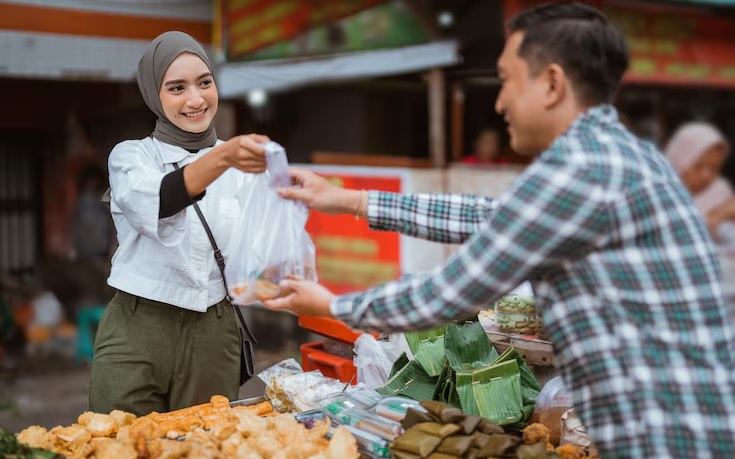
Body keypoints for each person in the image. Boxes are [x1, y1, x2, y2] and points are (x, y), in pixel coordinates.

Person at [264, 3, 735, 458]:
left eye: (507, 80)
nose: (498, 100)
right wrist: (350, 200)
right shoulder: (620, 153)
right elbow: (495, 216)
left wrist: (331, 304)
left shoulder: (580, 168)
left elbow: (449, 292)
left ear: (551, 83)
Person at [90, 31, 269, 416]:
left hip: (215, 326)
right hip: (140, 325)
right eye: (176, 88)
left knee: (204, 442)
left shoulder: (241, 165)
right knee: (117, 441)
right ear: (154, 96)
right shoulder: (132, 157)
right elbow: (161, 199)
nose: (196, 99)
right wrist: (223, 158)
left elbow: (262, 241)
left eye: (204, 82)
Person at [665, 121, 735, 302]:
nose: (706, 176)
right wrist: (716, 217)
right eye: (698, 166)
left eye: (714, 168)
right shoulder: (662, 192)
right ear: (680, 159)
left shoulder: (720, 190)